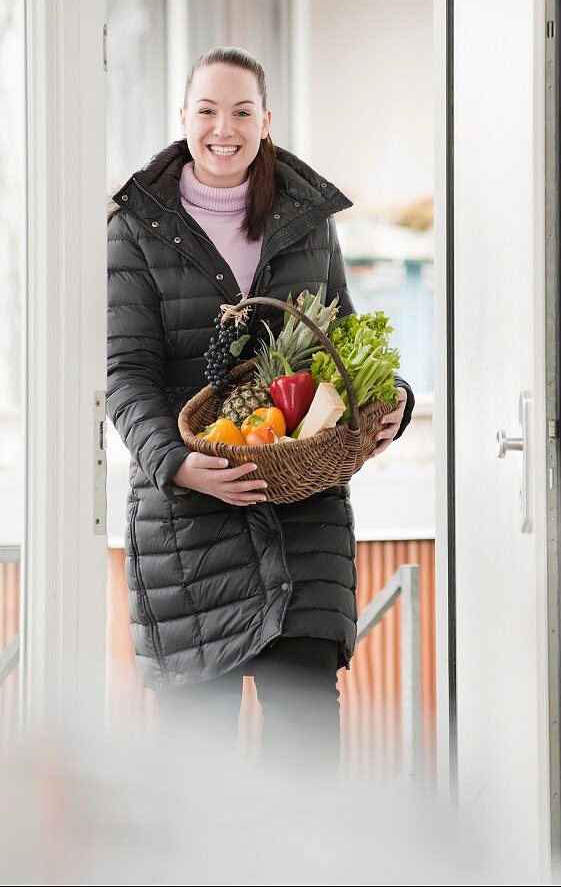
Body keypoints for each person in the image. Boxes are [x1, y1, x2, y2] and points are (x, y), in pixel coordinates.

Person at [106, 46, 415, 780]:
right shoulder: (136, 228)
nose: (224, 128)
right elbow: (125, 376)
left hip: (302, 514)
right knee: (198, 775)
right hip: (188, 527)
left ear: (265, 122)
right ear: (183, 120)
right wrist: (182, 464)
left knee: (304, 764)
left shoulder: (307, 220)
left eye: (242, 111)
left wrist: (390, 403)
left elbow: (337, 343)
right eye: (207, 110)